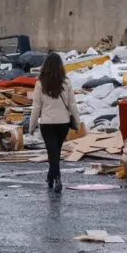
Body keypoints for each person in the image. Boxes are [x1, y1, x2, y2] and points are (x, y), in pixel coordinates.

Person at [27, 52, 81, 192]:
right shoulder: (66, 82)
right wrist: (77, 122)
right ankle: (53, 177)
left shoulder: (40, 83)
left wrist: (32, 126)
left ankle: (54, 177)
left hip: (47, 124)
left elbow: (36, 107)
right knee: (56, 151)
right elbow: (72, 104)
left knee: (52, 152)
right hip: (63, 123)